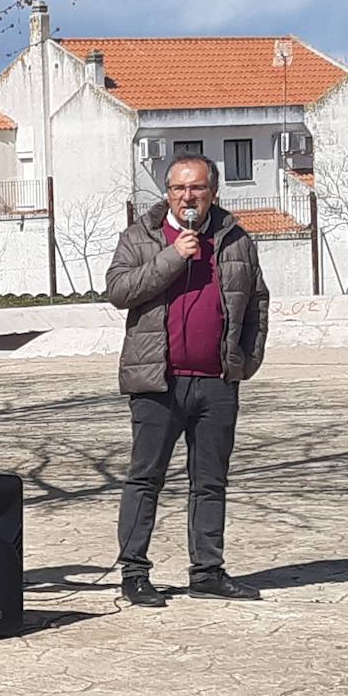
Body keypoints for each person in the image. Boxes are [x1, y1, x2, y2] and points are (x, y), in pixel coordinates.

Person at [106, 153, 269, 607]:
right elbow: (119, 290)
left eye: (197, 188)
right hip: (158, 381)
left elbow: (257, 301)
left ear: (213, 192)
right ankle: (134, 573)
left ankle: (207, 571)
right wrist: (172, 256)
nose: (188, 196)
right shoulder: (141, 236)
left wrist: (245, 361)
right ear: (168, 193)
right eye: (179, 188)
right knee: (145, 479)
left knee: (210, 481)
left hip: (217, 382)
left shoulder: (236, 239)